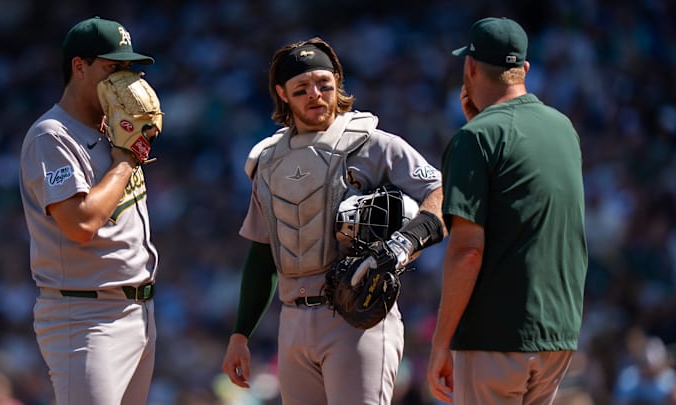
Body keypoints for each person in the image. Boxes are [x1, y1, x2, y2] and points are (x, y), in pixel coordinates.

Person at [221, 37, 447, 404]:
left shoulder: (373, 143)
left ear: (337, 83)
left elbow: (441, 193)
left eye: (324, 84)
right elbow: (262, 255)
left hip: (358, 318)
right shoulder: (268, 161)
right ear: (282, 94)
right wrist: (240, 334)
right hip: (293, 321)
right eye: (302, 88)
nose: (316, 94)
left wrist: (405, 243)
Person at [426, 17, 588, 404]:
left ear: (469, 67)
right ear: (525, 70)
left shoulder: (475, 139)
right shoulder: (562, 127)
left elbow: (468, 249)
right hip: (557, 335)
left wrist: (440, 343)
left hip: (494, 337)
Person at [19, 16, 159, 404]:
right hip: (84, 316)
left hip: (138, 310)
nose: (125, 81)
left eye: (129, 68)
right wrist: (127, 160)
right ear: (79, 68)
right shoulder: (52, 135)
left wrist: (124, 151)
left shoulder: (114, 131)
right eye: (113, 68)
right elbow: (80, 224)